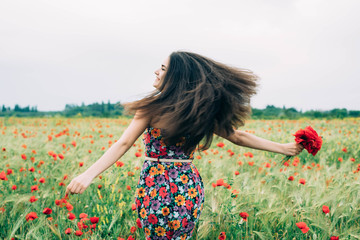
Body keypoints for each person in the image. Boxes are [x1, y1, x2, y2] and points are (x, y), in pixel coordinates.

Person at [65, 51, 304, 240]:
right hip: (163, 185)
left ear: (176, 76)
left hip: (174, 186)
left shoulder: (196, 111)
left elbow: (237, 137)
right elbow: (124, 143)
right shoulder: (151, 107)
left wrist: (285, 148)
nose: (156, 72)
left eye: (163, 68)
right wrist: (88, 175)